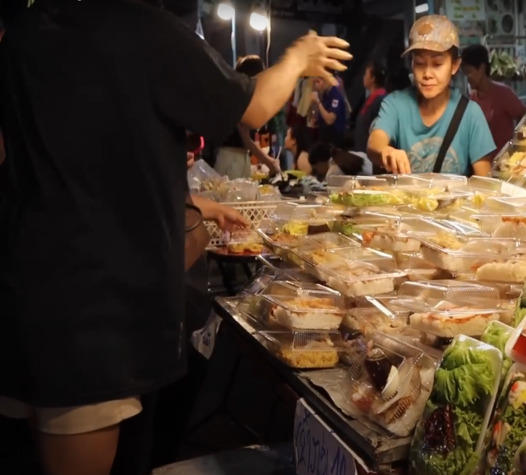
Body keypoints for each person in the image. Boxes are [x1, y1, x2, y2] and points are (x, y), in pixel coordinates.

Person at [0, 2, 351, 475]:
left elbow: (72, 159)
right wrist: (297, 59)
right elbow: (253, 106)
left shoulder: (22, 34)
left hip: (27, 291)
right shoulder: (142, 28)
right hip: (93, 319)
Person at [367, 15, 495, 177]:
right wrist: (385, 151)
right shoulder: (395, 104)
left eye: (437, 64)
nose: (427, 74)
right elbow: (374, 144)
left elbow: (484, 181)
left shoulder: (471, 114)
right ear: (412, 64)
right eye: (420, 63)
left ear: (454, 66)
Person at [214, 55, 282, 179]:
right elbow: (245, 138)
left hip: (235, 157)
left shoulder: (236, 95)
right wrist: (269, 162)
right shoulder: (240, 98)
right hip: (232, 160)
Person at [461, 44, 526, 156]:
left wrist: (518, 144)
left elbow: (524, 116)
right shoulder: (472, 99)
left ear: (481, 68)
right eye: (465, 73)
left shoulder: (503, 93)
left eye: (469, 72)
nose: (467, 78)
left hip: (505, 161)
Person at [353, 62, 387, 152]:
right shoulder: (370, 98)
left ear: (373, 78)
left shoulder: (381, 101)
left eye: (366, 74)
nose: (363, 77)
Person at [311, 75, 349, 147]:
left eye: (318, 82)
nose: (316, 85)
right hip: (324, 136)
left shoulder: (335, 96)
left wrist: (318, 102)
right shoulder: (325, 95)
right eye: (315, 83)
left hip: (334, 138)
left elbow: (330, 120)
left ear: (327, 81)